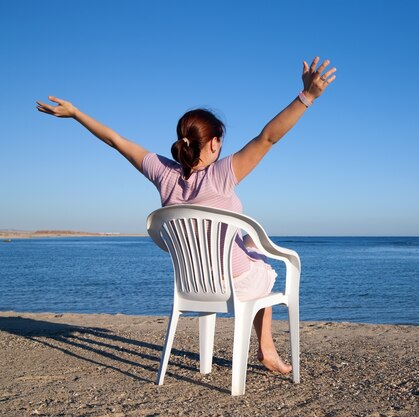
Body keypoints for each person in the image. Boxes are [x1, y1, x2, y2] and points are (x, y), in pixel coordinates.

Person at [36, 56, 336, 374]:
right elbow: (268, 137)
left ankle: (265, 349)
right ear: (214, 143)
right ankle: (266, 350)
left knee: (248, 244)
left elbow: (116, 141)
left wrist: (76, 113)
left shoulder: (162, 173)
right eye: (220, 140)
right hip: (235, 283)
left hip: (193, 283)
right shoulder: (221, 174)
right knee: (264, 266)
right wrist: (307, 97)